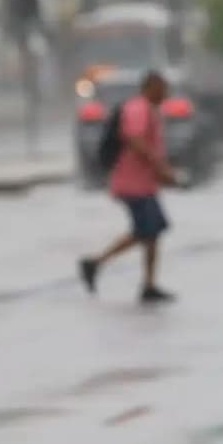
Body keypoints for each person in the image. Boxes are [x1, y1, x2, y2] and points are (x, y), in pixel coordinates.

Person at [80, 71, 177, 303]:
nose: (166, 94)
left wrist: (159, 171)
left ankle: (148, 284)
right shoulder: (138, 108)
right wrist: (160, 166)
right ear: (151, 87)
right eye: (163, 89)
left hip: (143, 183)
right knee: (146, 230)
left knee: (152, 231)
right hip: (132, 184)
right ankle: (95, 263)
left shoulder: (147, 109)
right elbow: (135, 139)